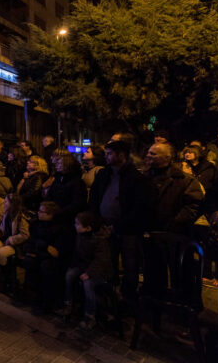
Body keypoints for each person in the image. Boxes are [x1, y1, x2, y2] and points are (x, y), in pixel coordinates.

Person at [89, 140, 153, 303]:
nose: (106, 157)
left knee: (130, 265)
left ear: (121, 155)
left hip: (128, 230)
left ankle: (128, 299)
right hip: (105, 227)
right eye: (106, 153)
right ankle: (110, 296)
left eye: (110, 154)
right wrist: (98, 221)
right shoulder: (104, 174)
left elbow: (138, 207)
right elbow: (94, 198)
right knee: (108, 263)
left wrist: (118, 225)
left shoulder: (135, 178)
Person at [62, 211, 113, 329]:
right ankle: (68, 303)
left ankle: (90, 315)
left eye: (78, 224)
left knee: (88, 284)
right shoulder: (80, 236)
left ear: (88, 228)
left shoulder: (99, 240)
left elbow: (101, 260)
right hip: (84, 265)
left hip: (99, 271)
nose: (75, 226)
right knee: (69, 275)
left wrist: (89, 273)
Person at [146, 142, 204, 235]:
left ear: (167, 157)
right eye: (148, 152)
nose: (148, 155)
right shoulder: (144, 177)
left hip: (171, 234)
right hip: (145, 231)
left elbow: (193, 206)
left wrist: (175, 224)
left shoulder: (184, 180)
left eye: (153, 154)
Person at [0, 193, 29, 292]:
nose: (4, 203)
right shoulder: (6, 214)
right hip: (5, 239)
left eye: (6, 201)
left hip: (16, 244)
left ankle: (3, 280)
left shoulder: (20, 217)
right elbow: (2, 230)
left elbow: (25, 234)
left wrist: (11, 239)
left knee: (0, 253)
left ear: (12, 203)